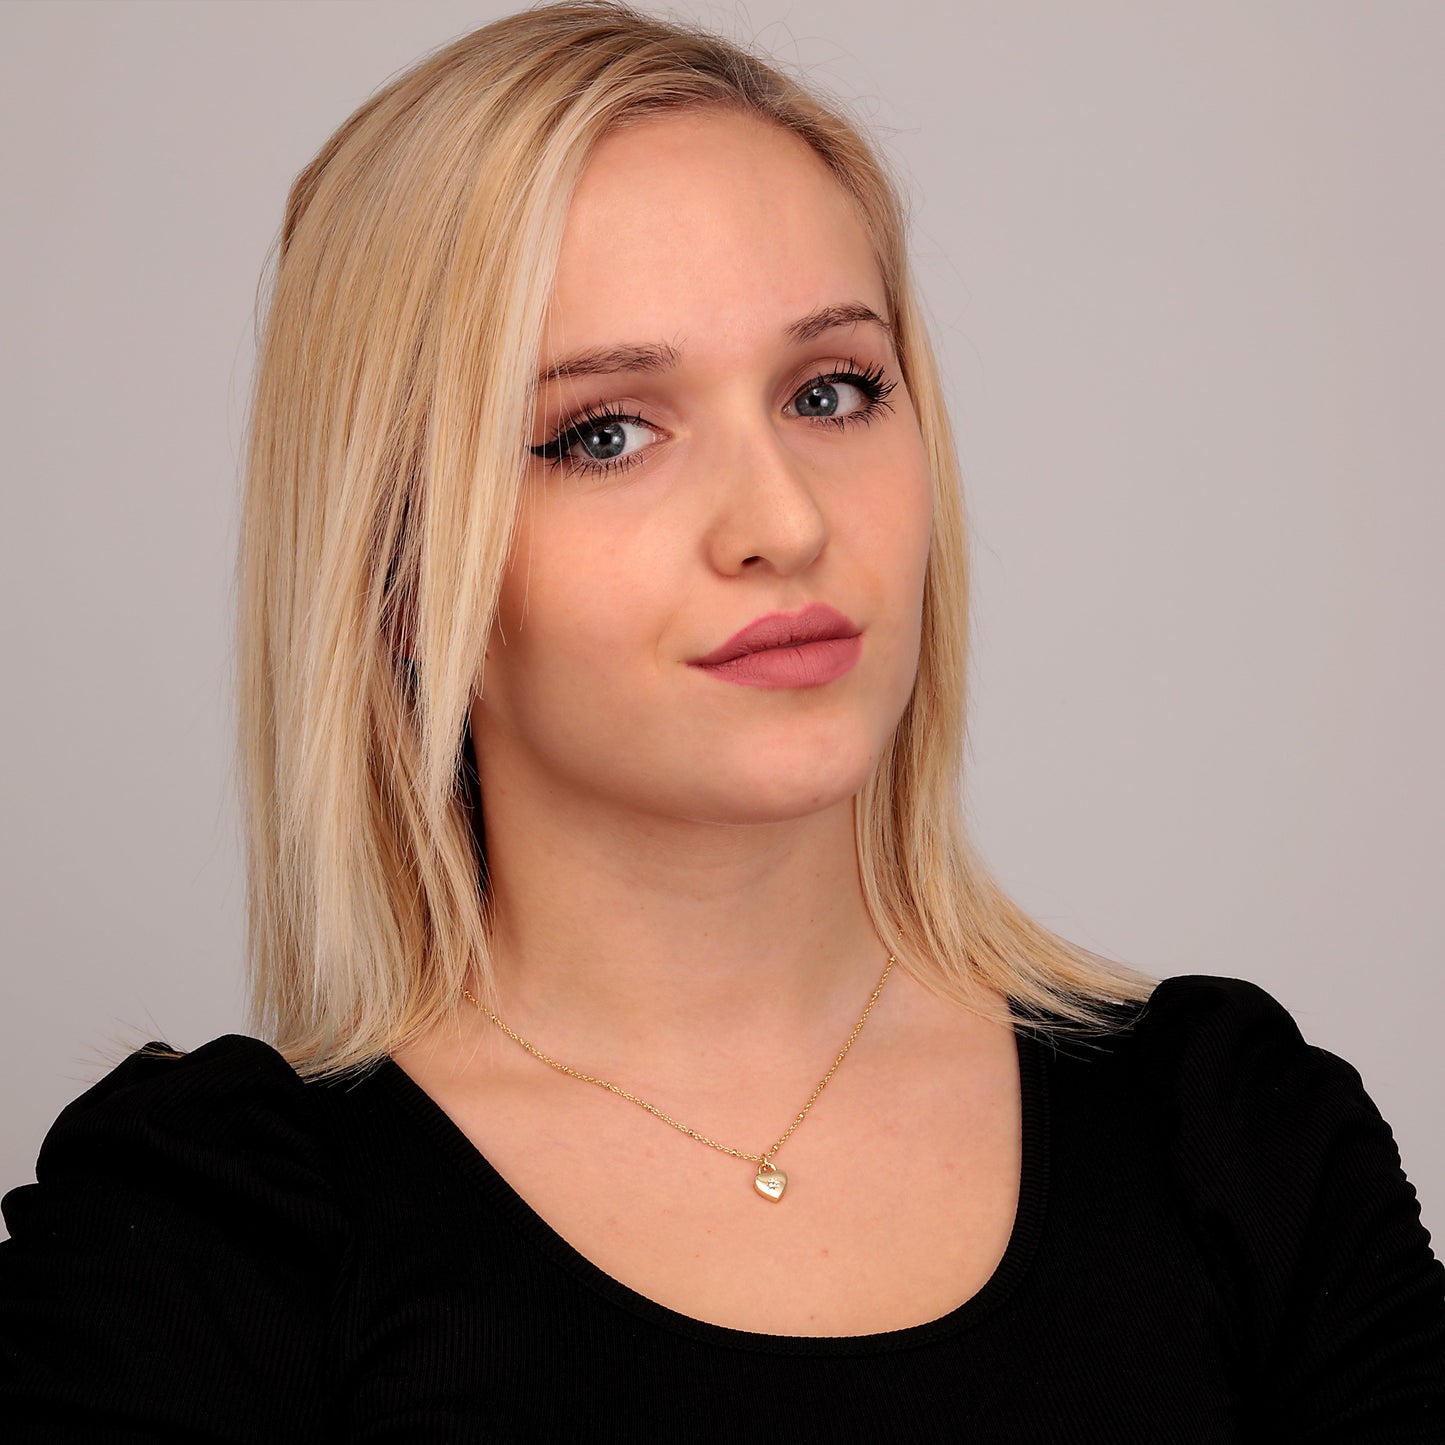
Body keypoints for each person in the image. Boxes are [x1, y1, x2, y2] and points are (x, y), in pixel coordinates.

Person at [2, 2, 1441, 1439]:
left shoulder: (1233, 1138)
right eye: (605, 432)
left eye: (831, 391)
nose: (785, 521)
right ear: (398, 569)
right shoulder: (205, 1237)